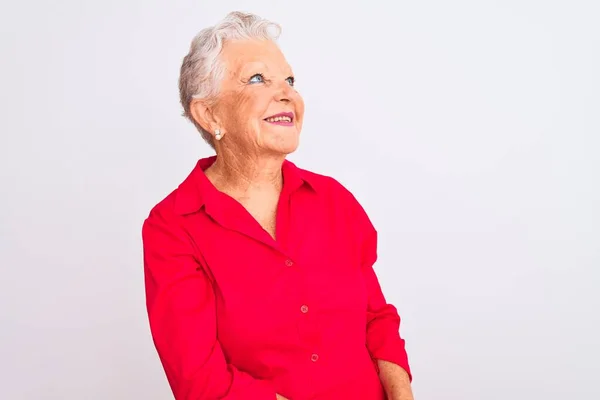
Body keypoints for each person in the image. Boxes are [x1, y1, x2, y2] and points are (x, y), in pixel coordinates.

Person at [142, 11, 414, 400]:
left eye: (289, 80)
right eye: (257, 79)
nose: (286, 92)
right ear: (209, 113)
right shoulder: (173, 227)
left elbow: (375, 317)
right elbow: (199, 380)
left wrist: (401, 393)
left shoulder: (334, 200)